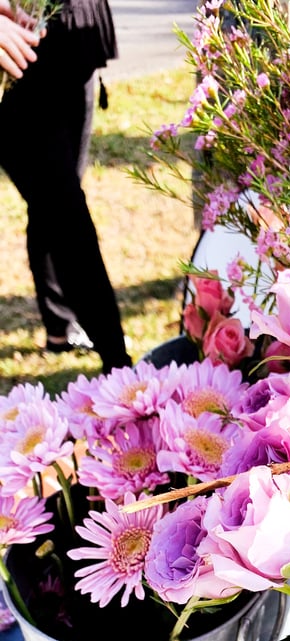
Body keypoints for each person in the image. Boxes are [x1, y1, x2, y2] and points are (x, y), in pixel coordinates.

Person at [0, 0, 129, 371]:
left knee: (54, 200)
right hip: (15, 43)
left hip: (71, 34)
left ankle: (59, 325)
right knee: (64, 209)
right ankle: (119, 367)